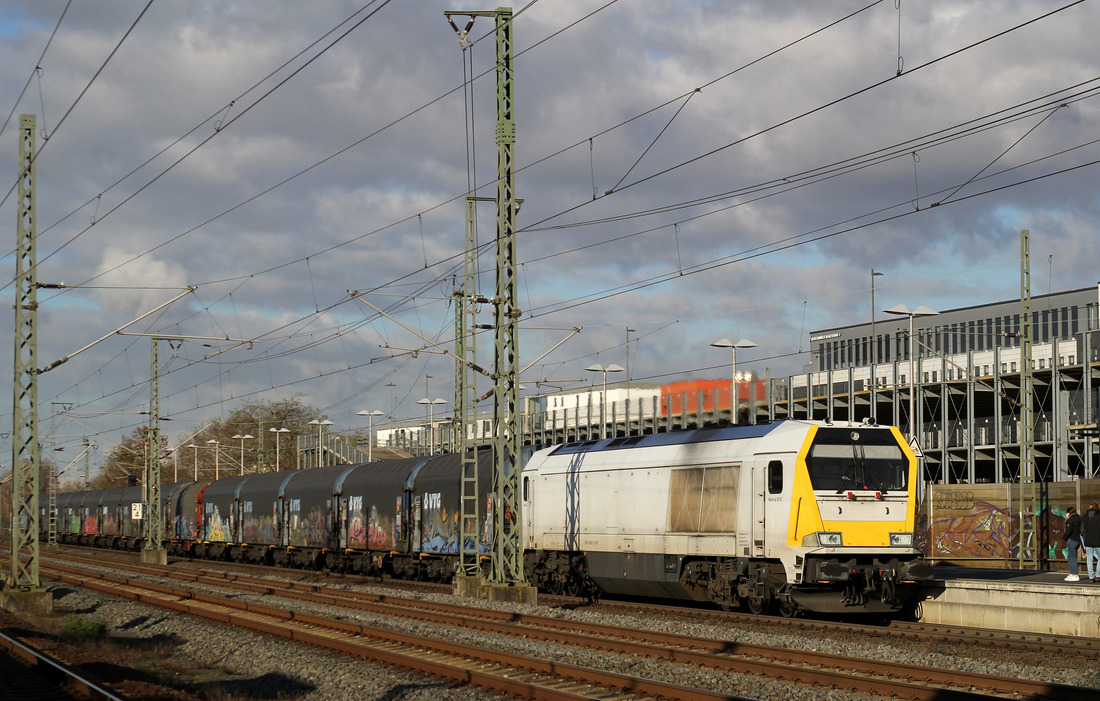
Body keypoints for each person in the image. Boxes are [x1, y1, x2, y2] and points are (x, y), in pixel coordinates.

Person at [1081, 501, 1100, 583]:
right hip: (1098, 540)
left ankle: (1091, 577)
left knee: (1089, 558)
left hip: (1088, 540)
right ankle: (1098, 575)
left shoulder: (1085, 517)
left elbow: (1081, 530)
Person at [1063, 506, 1083, 582]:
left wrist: (1064, 538)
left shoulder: (1070, 520)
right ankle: (1072, 573)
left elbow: (1068, 531)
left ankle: (1075, 574)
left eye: (1067, 513)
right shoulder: (1079, 519)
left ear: (1069, 513)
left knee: (1072, 557)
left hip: (1072, 540)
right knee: (1071, 556)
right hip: (1078, 540)